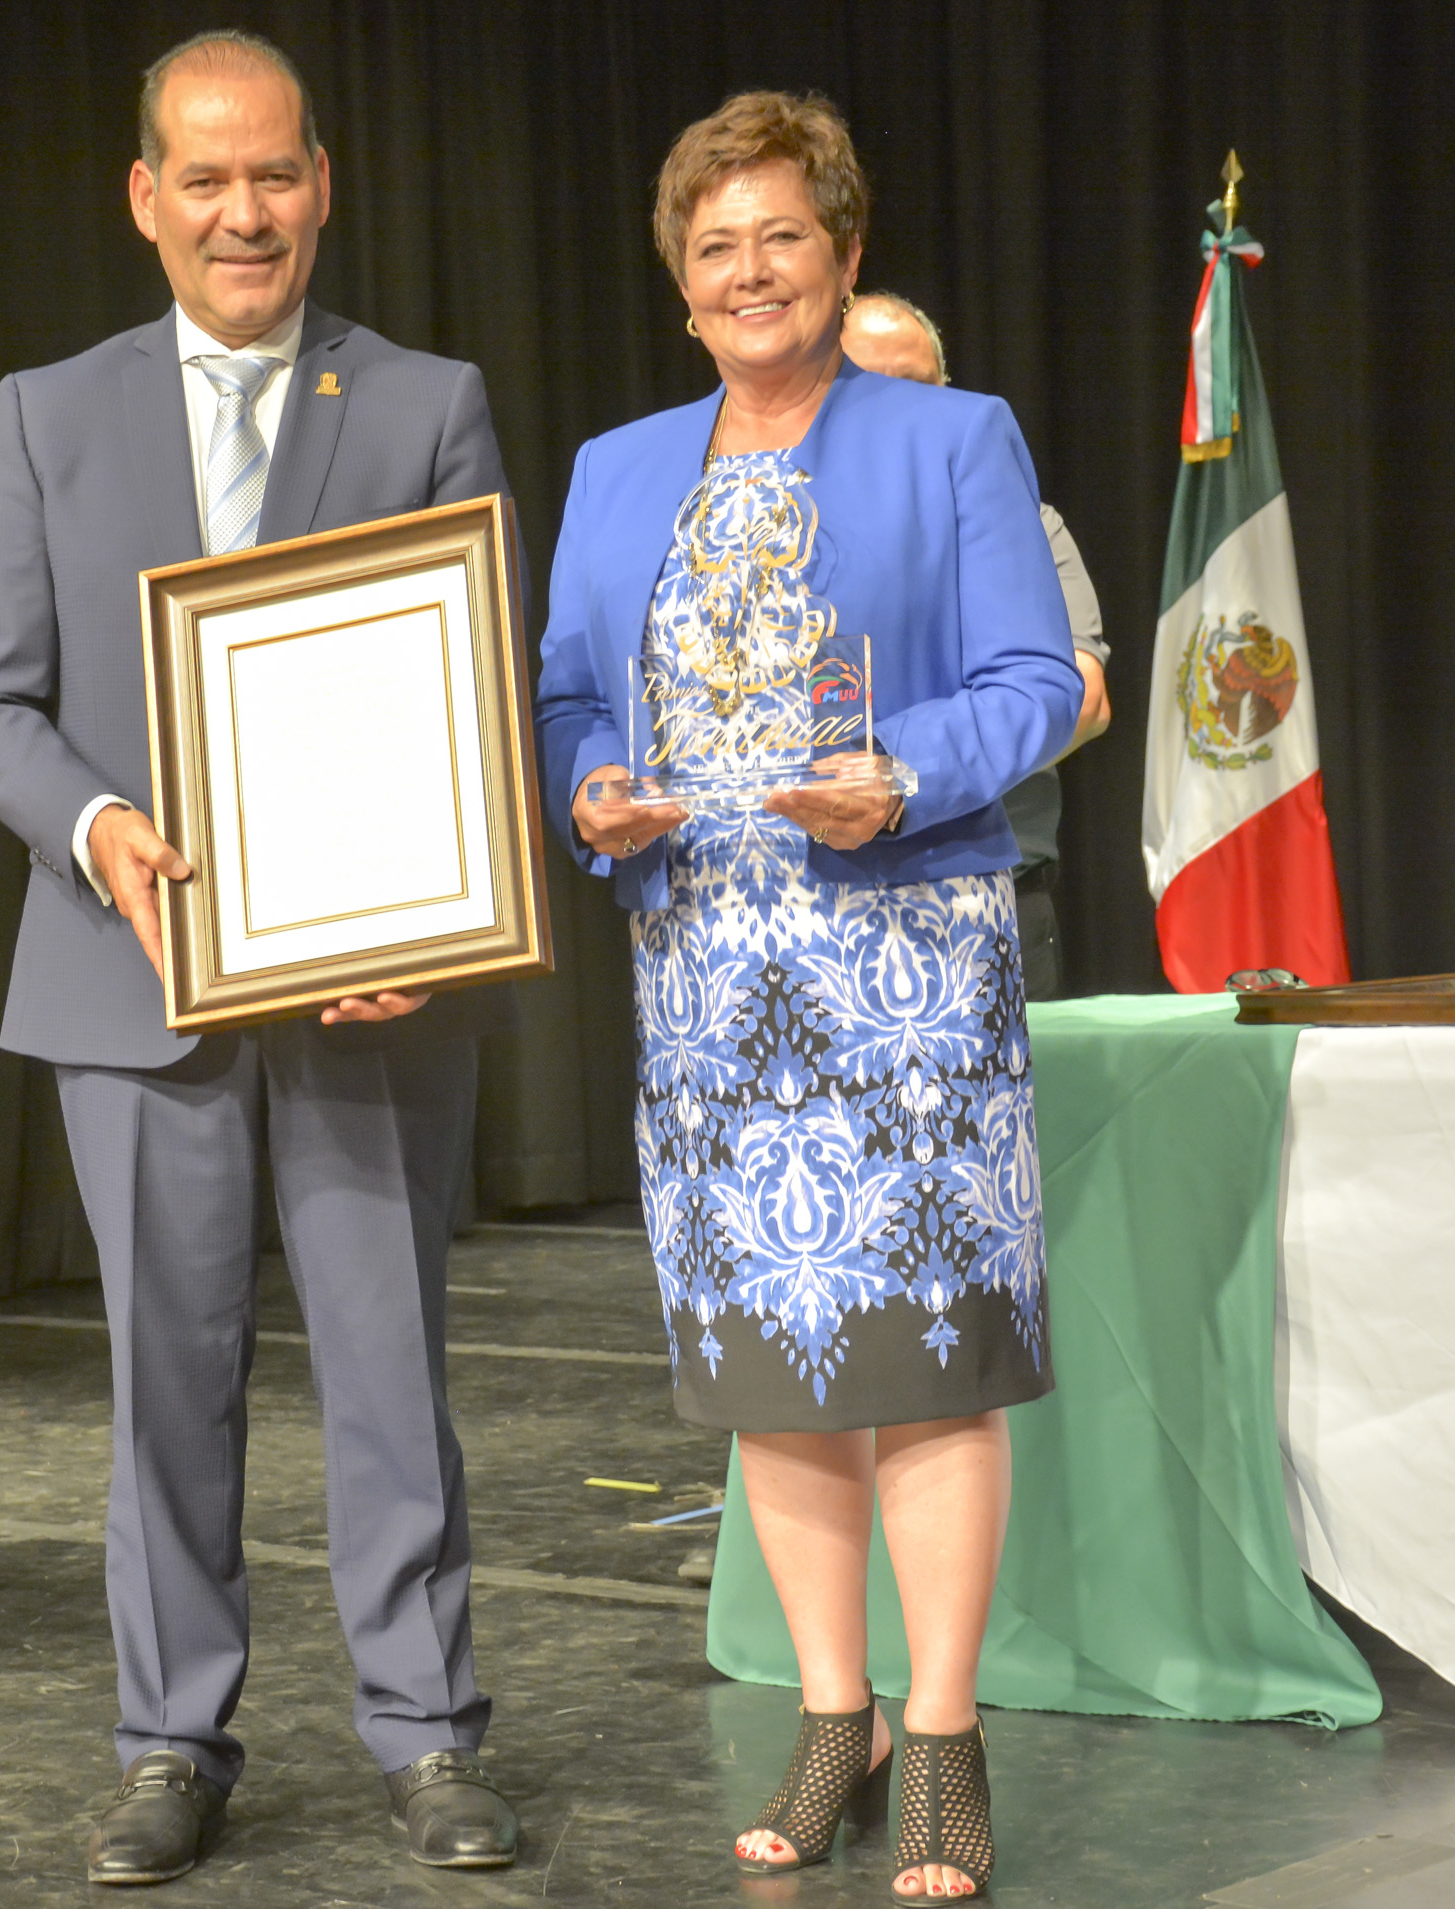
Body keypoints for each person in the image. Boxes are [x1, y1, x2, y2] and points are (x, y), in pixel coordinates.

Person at [0, 29, 518, 1887]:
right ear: (144, 198)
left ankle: (426, 1732)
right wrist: (101, 830)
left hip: (369, 994)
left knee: (387, 1369)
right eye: (204, 178)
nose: (241, 213)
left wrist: (425, 914)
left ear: (321, 184)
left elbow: (472, 689)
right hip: (131, 983)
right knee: (160, 1383)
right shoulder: (47, 414)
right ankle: (169, 1742)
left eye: (272, 174)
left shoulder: (422, 402)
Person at [532, 92, 1080, 1901]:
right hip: (707, 977)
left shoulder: (951, 438)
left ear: (842, 258)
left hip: (904, 970)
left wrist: (904, 775)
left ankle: (943, 1737)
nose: (749, 270)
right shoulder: (618, 467)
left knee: (926, 1367)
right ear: (678, 285)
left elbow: (1033, 678)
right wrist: (593, 792)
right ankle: (830, 1715)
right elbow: (570, 698)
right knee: (777, 1372)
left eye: (781, 235)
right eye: (715, 246)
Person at [844, 293, 1113, 997]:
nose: (897, 410)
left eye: (917, 386)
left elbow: (1084, 701)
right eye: (869, 386)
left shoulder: (1026, 525)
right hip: (824, 903)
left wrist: (911, 773)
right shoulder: (789, 534)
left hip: (992, 890)